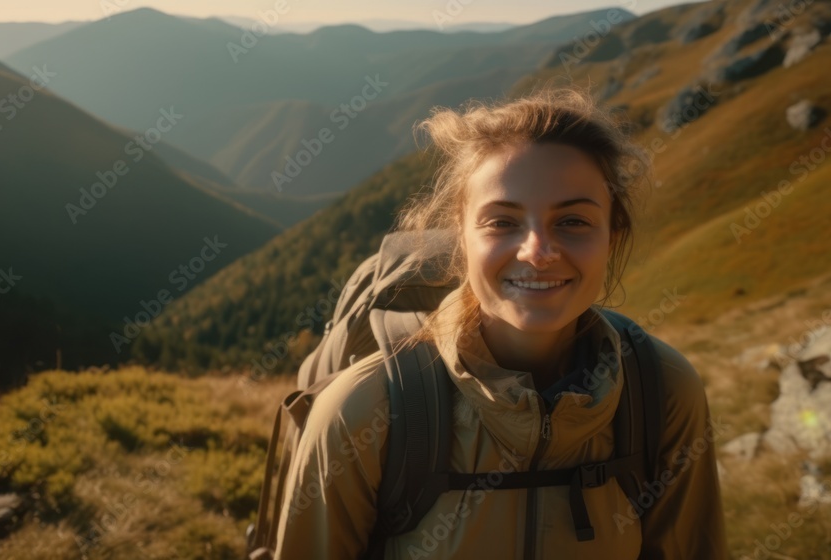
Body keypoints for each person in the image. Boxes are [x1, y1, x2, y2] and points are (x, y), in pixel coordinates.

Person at [273, 89, 728, 559]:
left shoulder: (663, 392)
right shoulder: (362, 413)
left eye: (573, 221)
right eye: (502, 222)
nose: (538, 251)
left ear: (613, 234)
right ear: (461, 236)